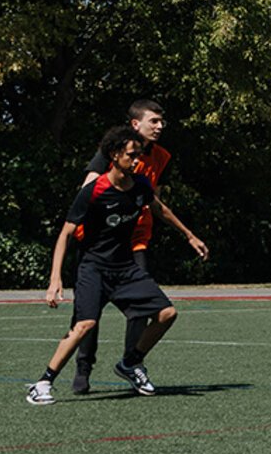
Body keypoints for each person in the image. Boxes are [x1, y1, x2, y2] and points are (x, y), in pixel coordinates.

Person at [28, 127, 178, 403]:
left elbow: (160, 209)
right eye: (132, 156)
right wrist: (54, 280)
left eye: (139, 156)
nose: (137, 161)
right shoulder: (93, 191)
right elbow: (65, 234)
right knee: (85, 324)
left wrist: (190, 236)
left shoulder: (141, 185)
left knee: (167, 313)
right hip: (93, 268)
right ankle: (42, 383)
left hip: (125, 268)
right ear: (114, 155)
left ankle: (130, 363)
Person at [70, 99, 208, 394]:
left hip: (135, 242)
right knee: (87, 314)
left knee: (143, 308)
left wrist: (188, 234)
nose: (160, 126)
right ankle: (83, 368)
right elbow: (88, 188)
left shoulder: (160, 156)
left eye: (161, 122)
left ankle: (132, 363)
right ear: (135, 124)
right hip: (97, 244)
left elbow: (155, 203)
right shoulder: (113, 152)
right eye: (154, 121)